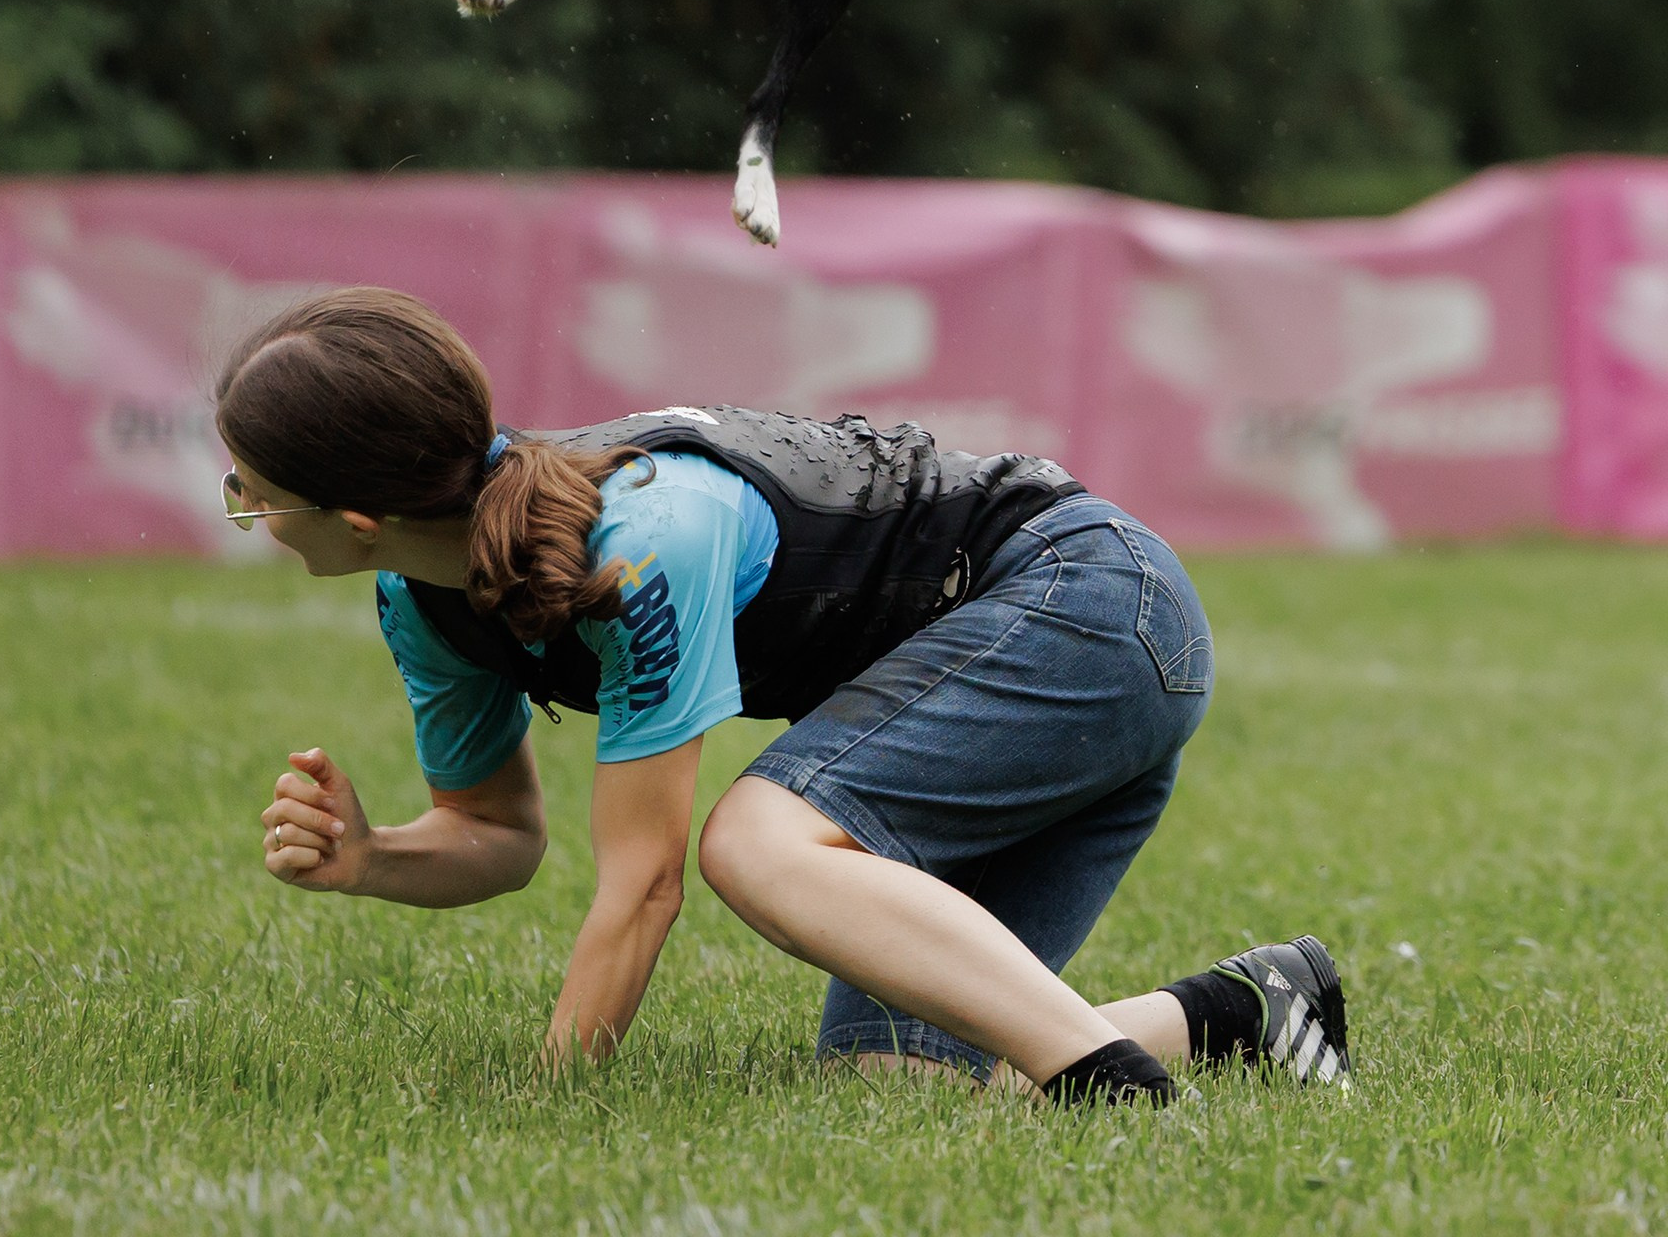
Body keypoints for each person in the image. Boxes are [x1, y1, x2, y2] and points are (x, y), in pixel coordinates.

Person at [219, 286, 1350, 1104]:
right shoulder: (422, 600)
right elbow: (493, 833)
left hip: (1093, 608)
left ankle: (1122, 1102)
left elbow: (643, 881)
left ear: (352, 515)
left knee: (752, 838)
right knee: (888, 1089)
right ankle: (1241, 1008)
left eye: (248, 490)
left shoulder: (642, 539)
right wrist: (370, 857)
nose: (240, 504)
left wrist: (549, 1100)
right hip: (1014, 674)